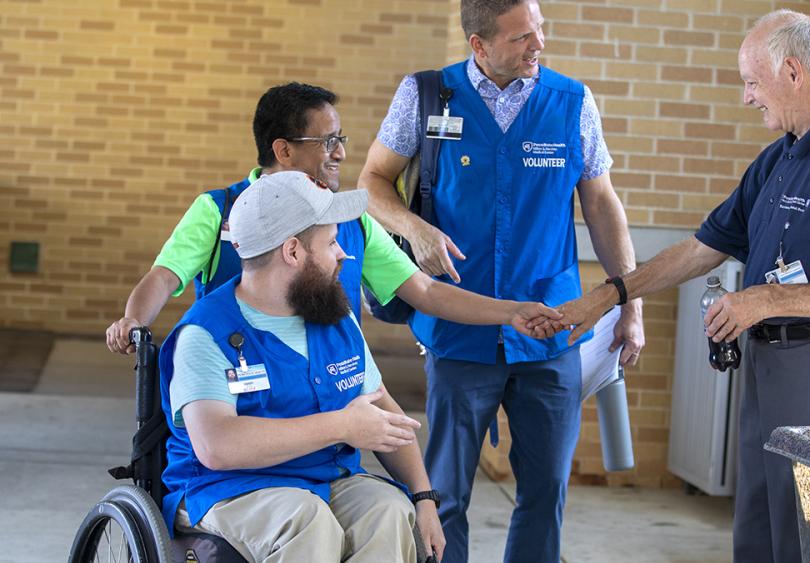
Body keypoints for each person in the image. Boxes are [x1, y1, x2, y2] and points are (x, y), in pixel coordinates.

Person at [554, 10, 810, 563]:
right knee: (762, 536)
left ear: (792, 71)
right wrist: (611, 295)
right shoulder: (780, 158)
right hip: (775, 366)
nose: (747, 98)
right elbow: (701, 249)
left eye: (751, 81)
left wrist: (764, 299)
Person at [358, 1, 644, 561]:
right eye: (521, 38)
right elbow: (372, 180)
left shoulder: (573, 102)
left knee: (545, 493)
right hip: (459, 330)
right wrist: (414, 229)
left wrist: (629, 303)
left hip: (551, 329)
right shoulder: (425, 95)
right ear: (479, 46)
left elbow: (603, 205)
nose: (538, 45)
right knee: (445, 494)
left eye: (540, 31)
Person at [160, 171, 562, 562]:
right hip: (225, 489)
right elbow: (217, 447)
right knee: (308, 522)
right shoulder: (205, 334)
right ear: (293, 251)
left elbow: (382, 407)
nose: (343, 254)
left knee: (389, 511)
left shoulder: (333, 317)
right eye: (332, 242)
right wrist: (341, 426)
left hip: (322, 479)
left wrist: (423, 497)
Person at [107, 83, 399, 353]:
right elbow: (163, 276)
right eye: (329, 141)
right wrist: (133, 321)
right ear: (283, 149)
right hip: (239, 379)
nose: (341, 153)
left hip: (330, 388)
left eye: (340, 139)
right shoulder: (219, 209)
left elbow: (423, 289)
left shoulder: (354, 219)